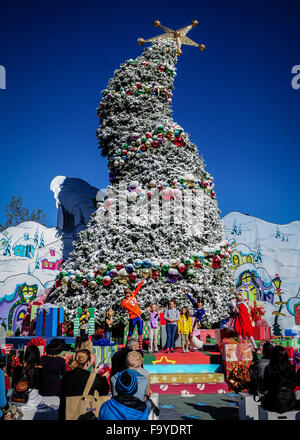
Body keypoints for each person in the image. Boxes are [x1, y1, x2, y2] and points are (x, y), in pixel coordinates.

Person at [58, 349, 109, 420]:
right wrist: (103, 378)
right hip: (84, 414)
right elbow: (105, 391)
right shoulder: (93, 377)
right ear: (88, 363)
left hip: (65, 414)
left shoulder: (66, 375)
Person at [11, 345, 43, 420]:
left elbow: (13, 385)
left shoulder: (17, 368)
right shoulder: (41, 370)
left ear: (26, 355)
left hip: (17, 401)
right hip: (34, 403)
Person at [261, 345, 297, 413]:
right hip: (290, 402)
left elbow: (265, 386)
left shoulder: (269, 369)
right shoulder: (291, 368)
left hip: (273, 402)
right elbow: (294, 385)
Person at [121, 280, 144, 350]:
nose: (128, 295)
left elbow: (137, 289)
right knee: (131, 332)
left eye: (129, 293)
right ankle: (127, 346)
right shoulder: (124, 302)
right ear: (124, 294)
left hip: (139, 316)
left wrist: (142, 281)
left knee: (140, 331)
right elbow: (131, 309)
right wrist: (139, 315)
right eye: (126, 294)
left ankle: (140, 346)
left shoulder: (133, 295)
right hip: (133, 317)